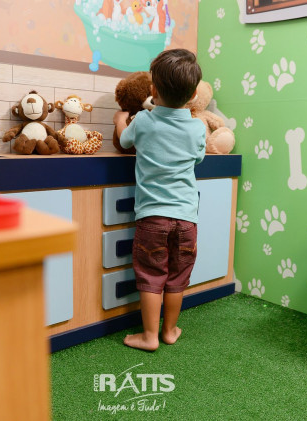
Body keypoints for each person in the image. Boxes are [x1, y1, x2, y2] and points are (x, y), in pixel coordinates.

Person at [113, 48, 206, 351]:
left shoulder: (143, 120)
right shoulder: (197, 127)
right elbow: (199, 157)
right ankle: (169, 330)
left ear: (153, 91)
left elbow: (125, 140)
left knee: (152, 275)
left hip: (152, 218)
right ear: (194, 95)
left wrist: (119, 120)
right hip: (187, 220)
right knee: (177, 276)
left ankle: (149, 336)